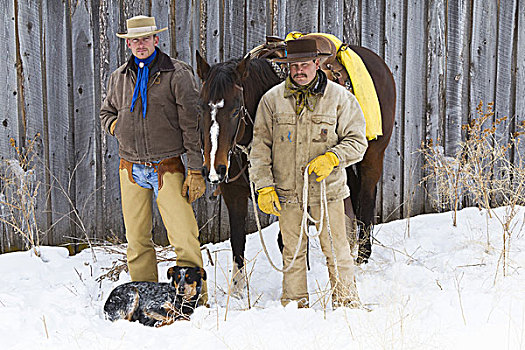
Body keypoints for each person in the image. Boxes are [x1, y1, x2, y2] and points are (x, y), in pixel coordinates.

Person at [249, 39, 368, 308]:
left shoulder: (340, 99)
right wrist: (264, 186)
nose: (299, 70)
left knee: (337, 250)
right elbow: (259, 148)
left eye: (304, 64)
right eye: (293, 65)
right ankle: (294, 304)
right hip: (287, 192)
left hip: (328, 192)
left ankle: (346, 302)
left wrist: (333, 157)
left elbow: (357, 142)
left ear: (317, 64)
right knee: (292, 252)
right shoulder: (271, 101)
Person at [100, 15, 207, 301]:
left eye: (145, 39)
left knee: (184, 237)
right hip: (130, 168)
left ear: (156, 40)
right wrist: (117, 127)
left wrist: (195, 170)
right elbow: (106, 113)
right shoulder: (119, 77)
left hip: (167, 167)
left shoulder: (178, 74)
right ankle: (146, 295)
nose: (140, 44)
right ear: (129, 44)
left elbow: (192, 125)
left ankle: (192, 298)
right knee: (136, 240)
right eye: (134, 40)